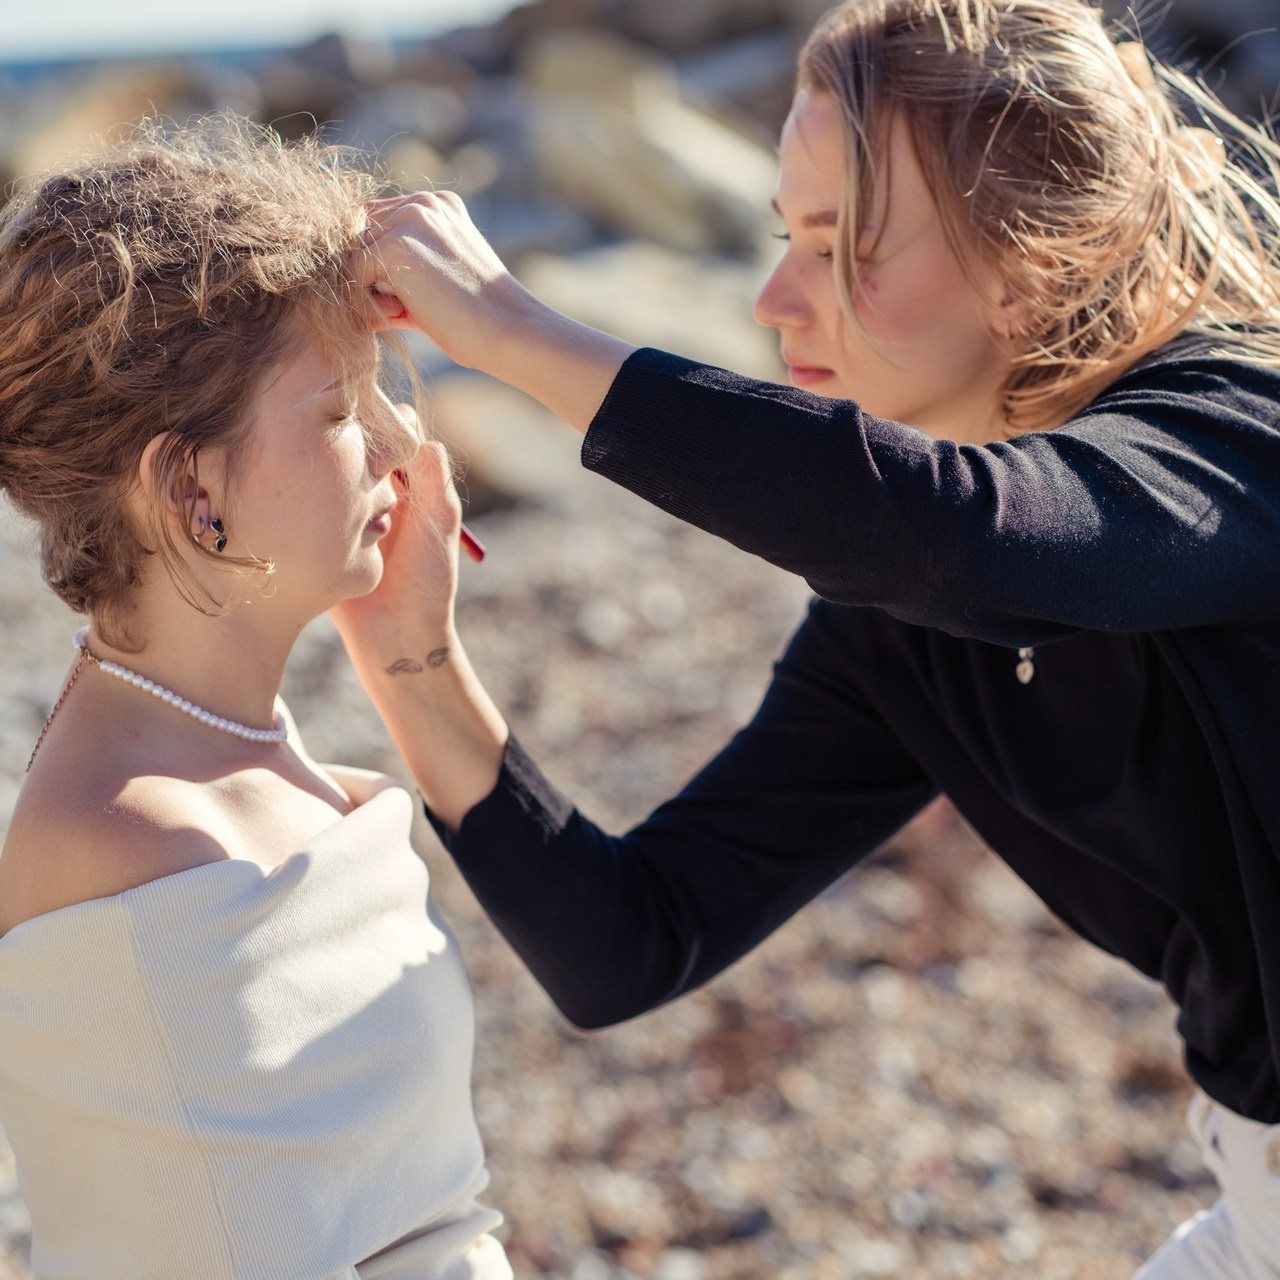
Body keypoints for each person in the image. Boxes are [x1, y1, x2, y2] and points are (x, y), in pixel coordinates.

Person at [336, 0, 1280, 1273]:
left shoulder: (1235, 430)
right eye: (784, 236)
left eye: (842, 248)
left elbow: (962, 538)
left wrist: (509, 329)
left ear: (1032, 263)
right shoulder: (900, 626)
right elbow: (631, 940)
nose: (778, 298)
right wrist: (409, 651)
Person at [0, 119, 512, 1280]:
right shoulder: (142, 850)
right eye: (339, 409)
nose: (401, 442)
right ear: (190, 485)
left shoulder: (248, 765)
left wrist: (413, 648)